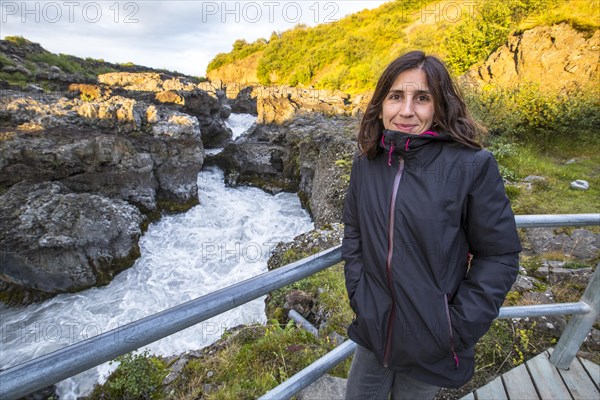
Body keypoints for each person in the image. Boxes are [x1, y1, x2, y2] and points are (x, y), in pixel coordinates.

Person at [342, 50, 522, 399]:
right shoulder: (368, 162)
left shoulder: (471, 165)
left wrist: (454, 329)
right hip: (374, 330)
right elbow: (355, 232)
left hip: (433, 341)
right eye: (396, 96)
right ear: (381, 103)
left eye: (422, 98)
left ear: (440, 106)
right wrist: (360, 296)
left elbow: (499, 256)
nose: (406, 110)